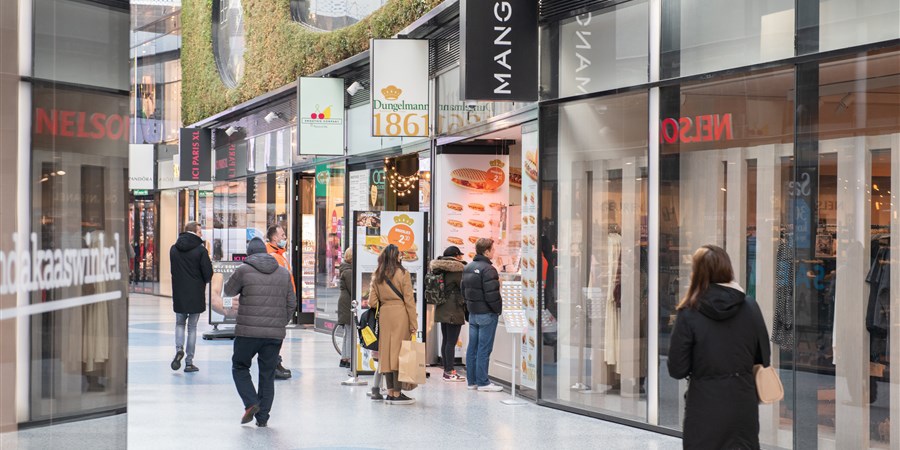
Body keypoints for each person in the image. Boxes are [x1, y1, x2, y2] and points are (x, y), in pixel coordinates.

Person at [667, 245, 770, 450]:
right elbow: (764, 358)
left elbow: (677, 369)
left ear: (697, 273)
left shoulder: (689, 312)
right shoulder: (750, 306)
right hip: (743, 404)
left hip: (704, 404)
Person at [224, 237, 297, 427]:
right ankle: (262, 418)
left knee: (240, 366)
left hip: (247, 333)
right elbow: (292, 303)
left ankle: (251, 402)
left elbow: (229, 290)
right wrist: (281, 322)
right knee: (267, 374)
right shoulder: (283, 273)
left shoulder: (243, 270)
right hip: (274, 335)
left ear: (249, 254)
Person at [368, 244, 418, 405]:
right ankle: (397, 393)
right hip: (401, 315)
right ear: (396, 257)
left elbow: (372, 302)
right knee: (399, 353)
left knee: (387, 354)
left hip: (385, 315)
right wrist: (413, 323)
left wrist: (384, 305)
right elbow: (409, 300)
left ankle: (390, 392)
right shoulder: (403, 273)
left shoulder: (377, 275)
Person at [169, 221, 213, 373]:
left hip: (179, 291)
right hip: (195, 292)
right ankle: (189, 362)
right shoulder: (200, 250)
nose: (201, 234)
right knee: (192, 327)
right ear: (194, 232)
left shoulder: (174, 249)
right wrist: (202, 281)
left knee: (179, 323)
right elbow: (208, 273)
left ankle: (179, 349)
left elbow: (173, 270)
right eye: (200, 231)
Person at [461, 238, 503, 392]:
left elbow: (463, 291)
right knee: (484, 349)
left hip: (473, 313)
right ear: (486, 251)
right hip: (487, 313)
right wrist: (498, 309)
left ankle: (472, 381)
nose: (494, 251)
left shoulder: (468, 267)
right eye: (493, 249)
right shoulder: (489, 269)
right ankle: (483, 382)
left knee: (473, 348)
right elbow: (492, 295)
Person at [429, 245, 467, 382]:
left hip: (441, 308)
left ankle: (446, 370)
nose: (462, 257)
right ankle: (449, 371)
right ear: (456, 255)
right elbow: (464, 288)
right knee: (451, 341)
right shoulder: (457, 270)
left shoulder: (438, 268)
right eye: (460, 255)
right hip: (453, 309)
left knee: (446, 340)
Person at [265, 225, 294, 380]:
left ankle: (276, 362)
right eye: (282, 235)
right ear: (274, 238)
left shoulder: (279, 254)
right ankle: (274, 364)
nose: (284, 238)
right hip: (278, 301)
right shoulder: (272, 255)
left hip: (282, 299)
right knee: (275, 335)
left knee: (278, 334)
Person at [337, 248, 354, 368]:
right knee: (350, 332)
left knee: (347, 332)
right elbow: (353, 289)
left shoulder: (345, 269)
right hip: (347, 304)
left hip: (344, 303)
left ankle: (344, 357)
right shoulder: (348, 272)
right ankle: (348, 358)